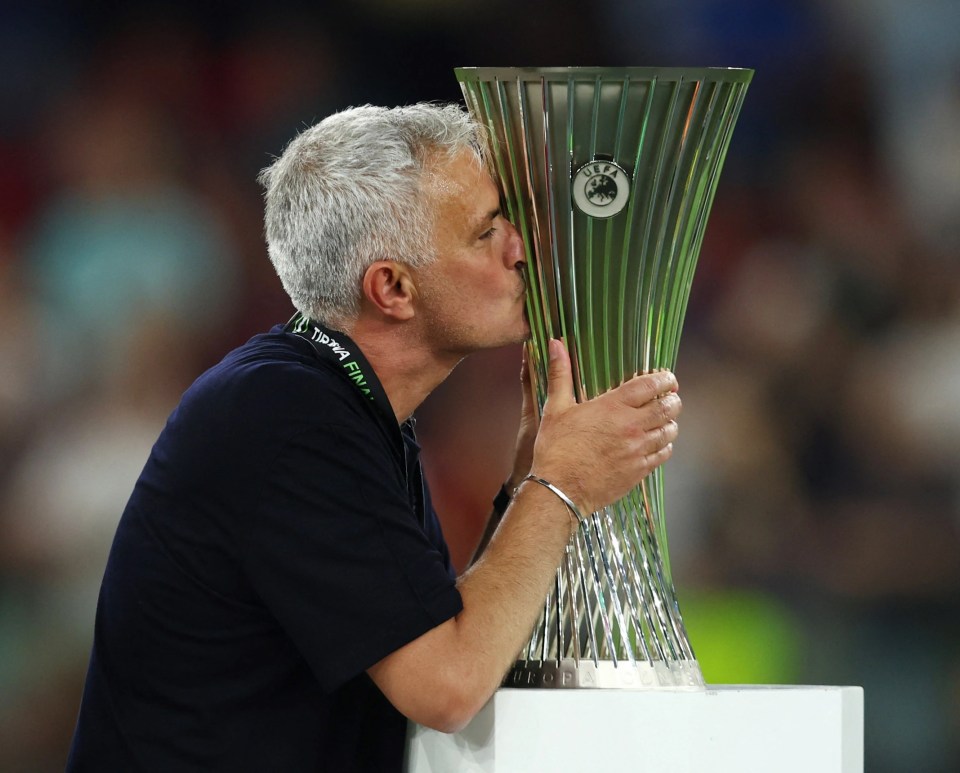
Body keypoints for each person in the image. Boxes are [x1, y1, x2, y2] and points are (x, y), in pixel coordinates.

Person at [66, 103, 681, 772]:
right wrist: (559, 484)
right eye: (485, 232)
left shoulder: (333, 401)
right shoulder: (282, 415)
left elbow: (447, 635)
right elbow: (446, 687)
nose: (520, 248)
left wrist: (526, 479)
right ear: (391, 287)